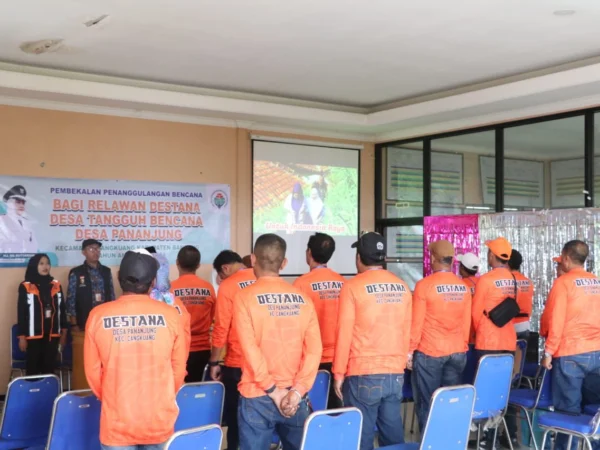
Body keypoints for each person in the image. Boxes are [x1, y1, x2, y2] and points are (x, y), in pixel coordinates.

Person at [84, 249, 187, 450]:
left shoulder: (97, 315)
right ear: (153, 283)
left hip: (117, 420)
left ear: (118, 278)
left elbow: (93, 373)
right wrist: (162, 395)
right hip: (158, 418)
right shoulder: (172, 315)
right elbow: (178, 369)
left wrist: (114, 398)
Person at [234, 234, 321, 450]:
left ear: (253, 259)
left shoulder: (244, 298)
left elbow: (249, 349)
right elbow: (314, 350)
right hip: (294, 397)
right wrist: (297, 391)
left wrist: (273, 391)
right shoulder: (303, 299)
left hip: (257, 395)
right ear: (284, 263)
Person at [333, 232, 412, 450]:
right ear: (383, 258)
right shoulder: (402, 286)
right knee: (393, 433)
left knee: (361, 435)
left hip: (363, 373)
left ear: (358, 258)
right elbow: (407, 329)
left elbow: (344, 332)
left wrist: (339, 373)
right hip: (395, 372)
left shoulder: (352, 287)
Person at [541, 240, 600, 450]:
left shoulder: (563, 283)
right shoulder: (596, 281)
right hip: (597, 352)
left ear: (566, 257)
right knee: (594, 412)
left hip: (571, 355)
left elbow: (555, 322)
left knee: (568, 414)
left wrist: (548, 352)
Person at [409, 240, 471, 432]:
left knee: (428, 404)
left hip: (430, 352)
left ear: (433, 258)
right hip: (457, 352)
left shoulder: (424, 285)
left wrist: (409, 351)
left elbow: (416, 323)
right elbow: (466, 323)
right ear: (452, 261)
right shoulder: (463, 287)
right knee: (450, 402)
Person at [471, 237, 517, 450]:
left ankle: (482, 437)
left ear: (492, 255)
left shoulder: (485, 280)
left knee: (484, 392)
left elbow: (475, 312)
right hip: (508, 341)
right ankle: (493, 438)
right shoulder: (511, 278)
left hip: (488, 341)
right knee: (500, 391)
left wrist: (482, 329)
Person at [210, 250, 256, 450]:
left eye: (220, 274)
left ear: (225, 268)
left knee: (236, 416)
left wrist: (214, 362)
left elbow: (221, 328)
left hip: (237, 363)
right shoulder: (261, 277)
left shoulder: (228, 286)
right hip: (264, 362)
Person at [293, 232, 345, 408]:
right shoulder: (343, 282)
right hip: (339, 359)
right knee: (335, 410)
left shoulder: (300, 284)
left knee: (311, 411)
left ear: (309, 253)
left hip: (311, 360)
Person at [17, 253, 67, 375]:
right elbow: (21, 312)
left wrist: (64, 333)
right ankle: (33, 394)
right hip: (33, 336)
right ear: (35, 265)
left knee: (49, 370)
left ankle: (48, 393)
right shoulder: (26, 286)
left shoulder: (56, 284)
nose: (46, 266)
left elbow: (62, 309)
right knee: (33, 370)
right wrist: (22, 337)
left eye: (48, 263)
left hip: (52, 335)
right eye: (41, 263)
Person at [171, 245, 216, 382]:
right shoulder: (208, 287)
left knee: (179, 391)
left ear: (177, 262)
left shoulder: (170, 289)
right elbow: (213, 316)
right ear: (198, 265)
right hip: (203, 350)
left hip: (178, 349)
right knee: (199, 392)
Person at [147, 249, 191, 353]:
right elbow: (184, 338)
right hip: (176, 361)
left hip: (155, 362)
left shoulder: (141, 304)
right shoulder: (176, 302)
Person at [67, 239, 115, 331]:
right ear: (83, 252)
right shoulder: (76, 273)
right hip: (84, 320)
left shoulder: (106, 271)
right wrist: (74, 324)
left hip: (104, 321)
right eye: (91, 249)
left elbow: (112, 296)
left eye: (97, 249)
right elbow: (71, 301)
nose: (95, 252)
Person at [0, 185, 38, 253]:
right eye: (18, 202)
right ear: (9, 203)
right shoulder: (1, 221)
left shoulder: (27, 223)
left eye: (23, 203)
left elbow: (34, 246)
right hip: (6, 261)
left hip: (25, 261)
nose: (21, 205)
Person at [508, 250, 534, 340]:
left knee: (508, 354)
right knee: (521, 354)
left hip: (510, 324)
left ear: (507, 262)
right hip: (525, 325)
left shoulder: (507, 280)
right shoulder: (528, 282)